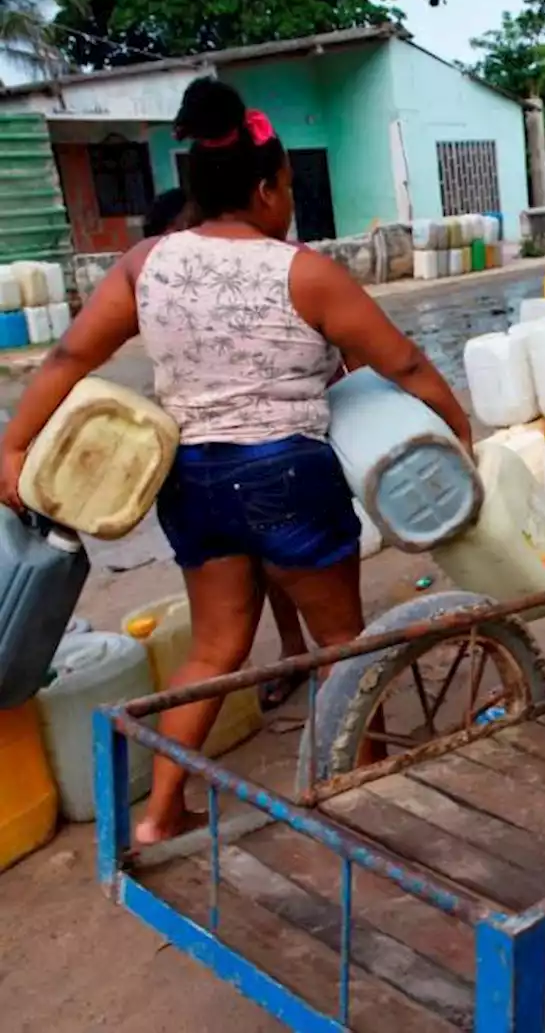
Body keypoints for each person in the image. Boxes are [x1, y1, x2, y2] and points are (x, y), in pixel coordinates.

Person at [0, 78, 473, 847]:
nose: (287, 200)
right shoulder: (303, 271)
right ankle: (366, 786)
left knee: (217, 647)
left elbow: (69, 355)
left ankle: (159, 815)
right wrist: (458, 431)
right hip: (287, 473)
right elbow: (407, 365)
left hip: (192, 481)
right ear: (262, 187)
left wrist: (14, 446)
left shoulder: (145, 264)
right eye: (285, 186)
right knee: (342, 645)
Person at [143, 188, 329, 710]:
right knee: (336, 634)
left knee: (228, 625)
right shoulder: (167, 284)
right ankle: (304, 662)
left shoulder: (268, 267)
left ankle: (295, 651)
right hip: (244, 458)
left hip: (232, 459)